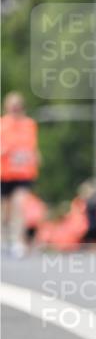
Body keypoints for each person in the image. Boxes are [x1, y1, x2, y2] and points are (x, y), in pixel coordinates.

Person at [0, 92, 40, 257]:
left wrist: (35, 157)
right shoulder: (2, 125)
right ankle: (4, 239)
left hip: (23, 173)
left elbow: (32, 146)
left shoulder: (29, 124)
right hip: (5, 172)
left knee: (19, 204)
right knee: (5, 210)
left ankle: (18, 241)